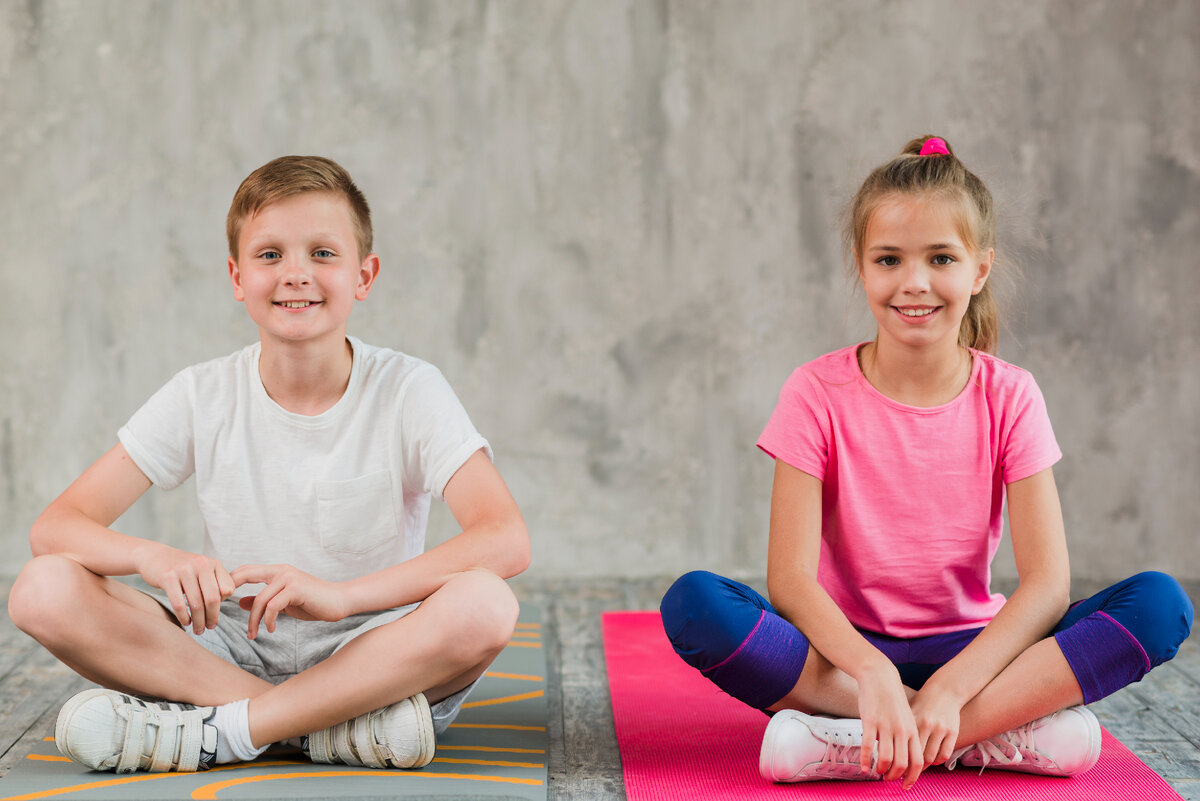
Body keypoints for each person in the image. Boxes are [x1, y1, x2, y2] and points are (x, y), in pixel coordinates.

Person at [659, 136, 1193, 788]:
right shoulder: (814, 391)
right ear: (862, 267)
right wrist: (873, 672)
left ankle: (866, 740)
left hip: (978, 652)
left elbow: (1048, 583)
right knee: (694, 604)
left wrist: (952, 687)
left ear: (980, 269)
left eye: (941, 257)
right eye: (890, 259)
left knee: (1162, 605)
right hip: (845, 656)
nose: (914, 282)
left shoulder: (1011, 394)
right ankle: (989, 731)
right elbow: (791, 580)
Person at [7, 155, 530, 774]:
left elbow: (505, 539)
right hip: (223, 654)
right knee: (42, 589)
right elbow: (57, 527)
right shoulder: (202, 392)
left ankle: (221, 733)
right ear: (237, 276)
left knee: (486, 603)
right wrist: (153, 557)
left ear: (365, 275)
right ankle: (314, 729)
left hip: (374, 655)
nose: (296, 274)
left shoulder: (409, 388)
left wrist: (340, 598)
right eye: (270, 255)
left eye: (323, 254)